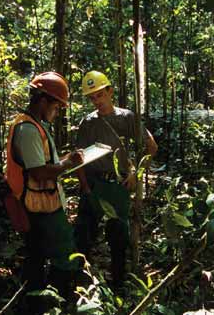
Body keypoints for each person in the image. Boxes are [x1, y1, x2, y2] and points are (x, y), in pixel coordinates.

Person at [5, 72, 83, 313]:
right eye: (56, 106)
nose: (57, 111)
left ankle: (39, 302)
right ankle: (55, 302)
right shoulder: (28, 129)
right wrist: (68, 164)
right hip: (39, 205)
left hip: (44, 201)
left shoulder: (36, 125)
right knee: (61, 253)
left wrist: (64, 161)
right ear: (42, 100)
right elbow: (38, 172)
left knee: (37, 255)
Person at [75, 70, 158, 287]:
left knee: (118, 236)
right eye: (92, 97)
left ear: (110, 91)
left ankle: (118, 283)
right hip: (94, 184)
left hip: (117, 184)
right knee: (84, 234)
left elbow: (151, 147)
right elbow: (79, 158)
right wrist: (85, 187)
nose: (97, 101)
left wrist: (135, 174)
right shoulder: (88, 123)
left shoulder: (126, 117)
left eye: (100, 95)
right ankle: (82, 284)